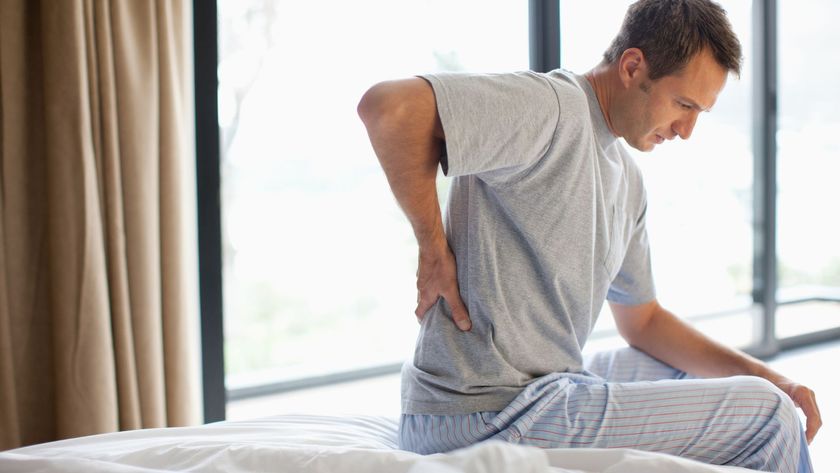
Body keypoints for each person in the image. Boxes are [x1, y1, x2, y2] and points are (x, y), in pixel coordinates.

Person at [357, 0, 820, 471]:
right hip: (482, 412)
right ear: (633, 66)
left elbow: (642, 323)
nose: (687, 131)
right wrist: (433, 249)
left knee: (705, 378)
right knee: (770, 419)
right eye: (683, 104)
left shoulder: (628, 178)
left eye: (699, 112)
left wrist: (770, 378)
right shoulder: (550, 109)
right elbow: (389, 109)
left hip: (549, 387)